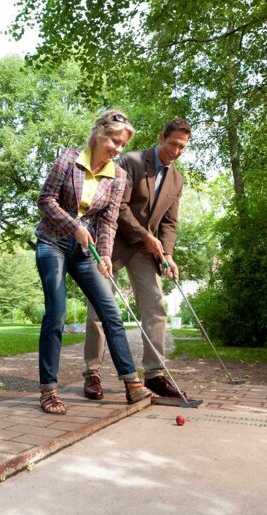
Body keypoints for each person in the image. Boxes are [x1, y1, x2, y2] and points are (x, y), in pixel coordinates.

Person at [34, 110, 152, 415]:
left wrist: (106, 257)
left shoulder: (118, 176)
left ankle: (131, 382)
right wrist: (74, 226)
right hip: (53, 243)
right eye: (114, 140)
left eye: (122, 144)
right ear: (99, 133)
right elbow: (45, 200)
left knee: (111, 313)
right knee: (57, 314)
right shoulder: (68, 160)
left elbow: (109, 222)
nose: (117, 148)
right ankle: (49, 389)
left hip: (86, 252)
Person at [83, 117, 192, 401]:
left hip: (146, 250)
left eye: (182, 147)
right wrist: (146, 235)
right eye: (173, 144)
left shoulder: (177, 179)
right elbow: (117, 206)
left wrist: (167, 253)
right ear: (160, 138)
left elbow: (170, 222)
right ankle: (92, 374)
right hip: (115, 243)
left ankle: (154, 374)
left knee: (156, 307)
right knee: (99, 310)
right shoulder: (130, 161)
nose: (176, 151)